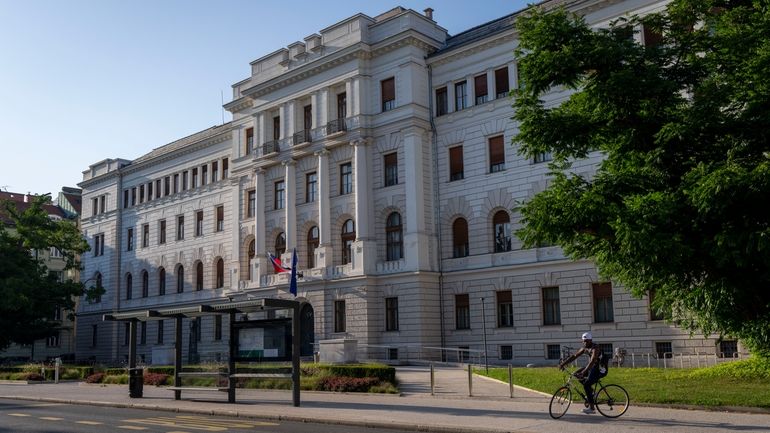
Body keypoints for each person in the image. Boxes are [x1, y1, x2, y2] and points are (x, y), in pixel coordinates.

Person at [558, 332, 607, 414]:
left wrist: (584, 372)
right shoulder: (585, 348)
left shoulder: (595, 348)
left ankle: (592, 408)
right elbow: (574, 356)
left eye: (587, 341)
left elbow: (592, 361)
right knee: (575, 374)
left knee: (586, 384)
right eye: (583, 341)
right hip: (593, 368)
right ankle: (591, 393)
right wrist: (563, 364)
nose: (585, 343)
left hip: (601, 370)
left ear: (591, 340)